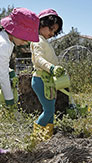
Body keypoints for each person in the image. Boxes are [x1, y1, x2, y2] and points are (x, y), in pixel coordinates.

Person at [0, 8, 39, 163]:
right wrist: (9, 98)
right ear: (16, 32)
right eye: (26, 37)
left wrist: (9, 70)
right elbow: (1, 76)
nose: (26, 42)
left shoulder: (1, 39)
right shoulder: (4, 45)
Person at [30, 9, 65, 143]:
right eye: (51, 29)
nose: (52, 33)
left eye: (55, 31)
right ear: (41, 24)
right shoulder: (37, 40)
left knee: (50, 109)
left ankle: (46, 138)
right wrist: (52, 68)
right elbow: (38, 59)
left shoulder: (44, 40)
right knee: (48, 110)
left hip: (47, 81)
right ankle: (35, 139)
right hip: (41, 79)